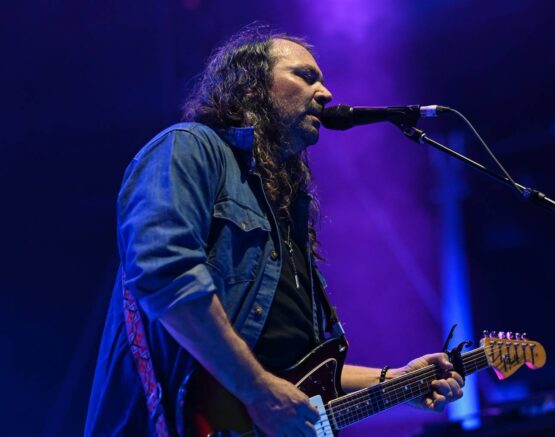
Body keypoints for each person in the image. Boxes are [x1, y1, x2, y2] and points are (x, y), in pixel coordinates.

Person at [85, 26, 464, 436]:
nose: (326, 93)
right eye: (305, 76)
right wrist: (259, 390)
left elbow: (298, 367)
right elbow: (166, 275)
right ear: (250, 89)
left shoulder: (284, 205)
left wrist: (397, 381)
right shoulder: (189, 147)